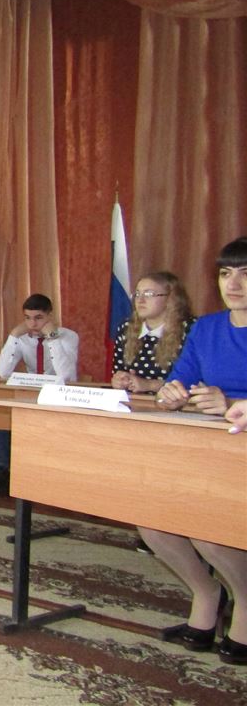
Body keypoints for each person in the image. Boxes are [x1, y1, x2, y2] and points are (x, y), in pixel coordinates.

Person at [149, 236, 247, 665]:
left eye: (245, 274)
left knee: (207, 526)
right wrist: (171, 394)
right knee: (152, 520)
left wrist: (231, 403)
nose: (233, 284)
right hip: (207, 444)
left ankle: (245, 601)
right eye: (226, 274)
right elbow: (179, 381)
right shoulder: (206, 328)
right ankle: (207, 593)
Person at [110, 271, 195, 554]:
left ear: (170, 298)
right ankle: (153, 527)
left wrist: (150, 385)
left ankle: (180, 530)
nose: (140, 300)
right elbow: (118, 370)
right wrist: (120, 379)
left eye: (149, 294)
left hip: (182, 416)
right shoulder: (127, 328)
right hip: (138, 413)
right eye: (138, 294)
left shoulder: (191, 330)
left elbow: (197, 382)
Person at [0, 293, 79, 497]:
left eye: (38, 318)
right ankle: (2, 470)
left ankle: (49, 474)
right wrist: (13, 335)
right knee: (2, 415)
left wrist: (52, 338)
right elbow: (3, 372)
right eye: (27, 318)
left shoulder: (68, 336)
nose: (32, 324)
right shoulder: (22, 338)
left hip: (59, 396)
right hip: (31, 394)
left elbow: (66, 375)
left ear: (50, 316)